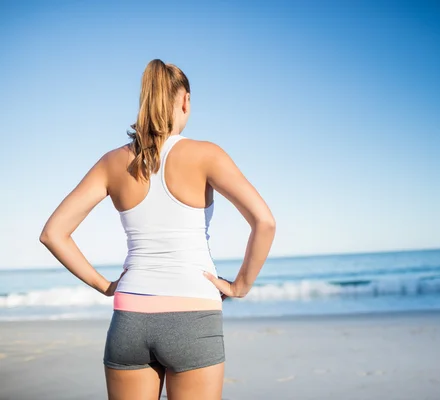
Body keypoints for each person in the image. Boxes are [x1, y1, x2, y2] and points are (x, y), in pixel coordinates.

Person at [39, 59, 276, 400]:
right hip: (193, 317)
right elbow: (264, 221)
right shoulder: (206, 154)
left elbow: (53, 233)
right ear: (185, 101)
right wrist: (239, 286)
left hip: (130, 319)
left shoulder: (112, 162)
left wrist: (105, 285)